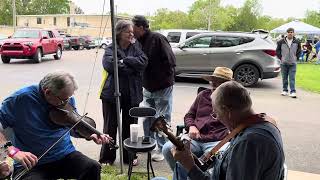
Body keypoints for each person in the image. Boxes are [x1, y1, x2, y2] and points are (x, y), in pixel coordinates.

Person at [0, 71, 112, 180]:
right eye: (63, 100)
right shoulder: (19, 100)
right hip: (33, 163)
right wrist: (13, 152)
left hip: (64, 155)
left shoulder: (65, 99)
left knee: (92, 167)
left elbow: (71, 126)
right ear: (47, 92)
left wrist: (88, 135)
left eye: (69, 98)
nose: (66, 103)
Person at [172, 81, 285, 180]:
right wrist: (190, 160)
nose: (218, 118)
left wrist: (189, 166)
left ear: (227, 111)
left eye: (216, 114)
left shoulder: (249, 143)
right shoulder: (262, 123)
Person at [162, 67, 232, 173]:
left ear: (227, 86)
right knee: (167, 148)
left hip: (217, 142)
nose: (213, 85)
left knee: (215, 162)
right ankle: (181, 176)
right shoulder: (203, 95)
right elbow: (189, 115)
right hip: (195, 140)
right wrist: (192, 126)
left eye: (218, 83)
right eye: (212, 81)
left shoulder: (232, 101)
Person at [99, 20, 148, 166]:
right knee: (110, 127)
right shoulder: (110, 48)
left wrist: (124, 60)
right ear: (119, 33)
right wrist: (131, 66)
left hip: (133, 95)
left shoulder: (136, 46)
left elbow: (144, 62)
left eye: (132, 32)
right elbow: (110, 66)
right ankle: (107, 158)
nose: (132, 34)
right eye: (128, 32)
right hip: (111, 95)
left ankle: (129, 156)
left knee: (131, 126)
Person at [132, 15, 176, 161]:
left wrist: (161, 77)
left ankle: (162, 148)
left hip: (162, 86)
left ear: (141, 27)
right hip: (147, 86)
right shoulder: (137, 42)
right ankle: (148, 143)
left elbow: (171, 60)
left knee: (162, 118)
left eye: (133, 27)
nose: (131, 31)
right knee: (147, 116)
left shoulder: (158, 38)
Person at [276, 27, 301, 98]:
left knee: (292, 78)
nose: (290, 33)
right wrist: (281, 58)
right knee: (284, 78)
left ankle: (293, 91)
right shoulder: (281, 42)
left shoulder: (297, 42)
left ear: (294, 33)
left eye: (292, 32)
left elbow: (299, 51)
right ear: (287, 33)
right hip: (283, 63)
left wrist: (296, 58)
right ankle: (285, 90)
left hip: (293, 63)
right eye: (289, 32)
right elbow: (277, 51)